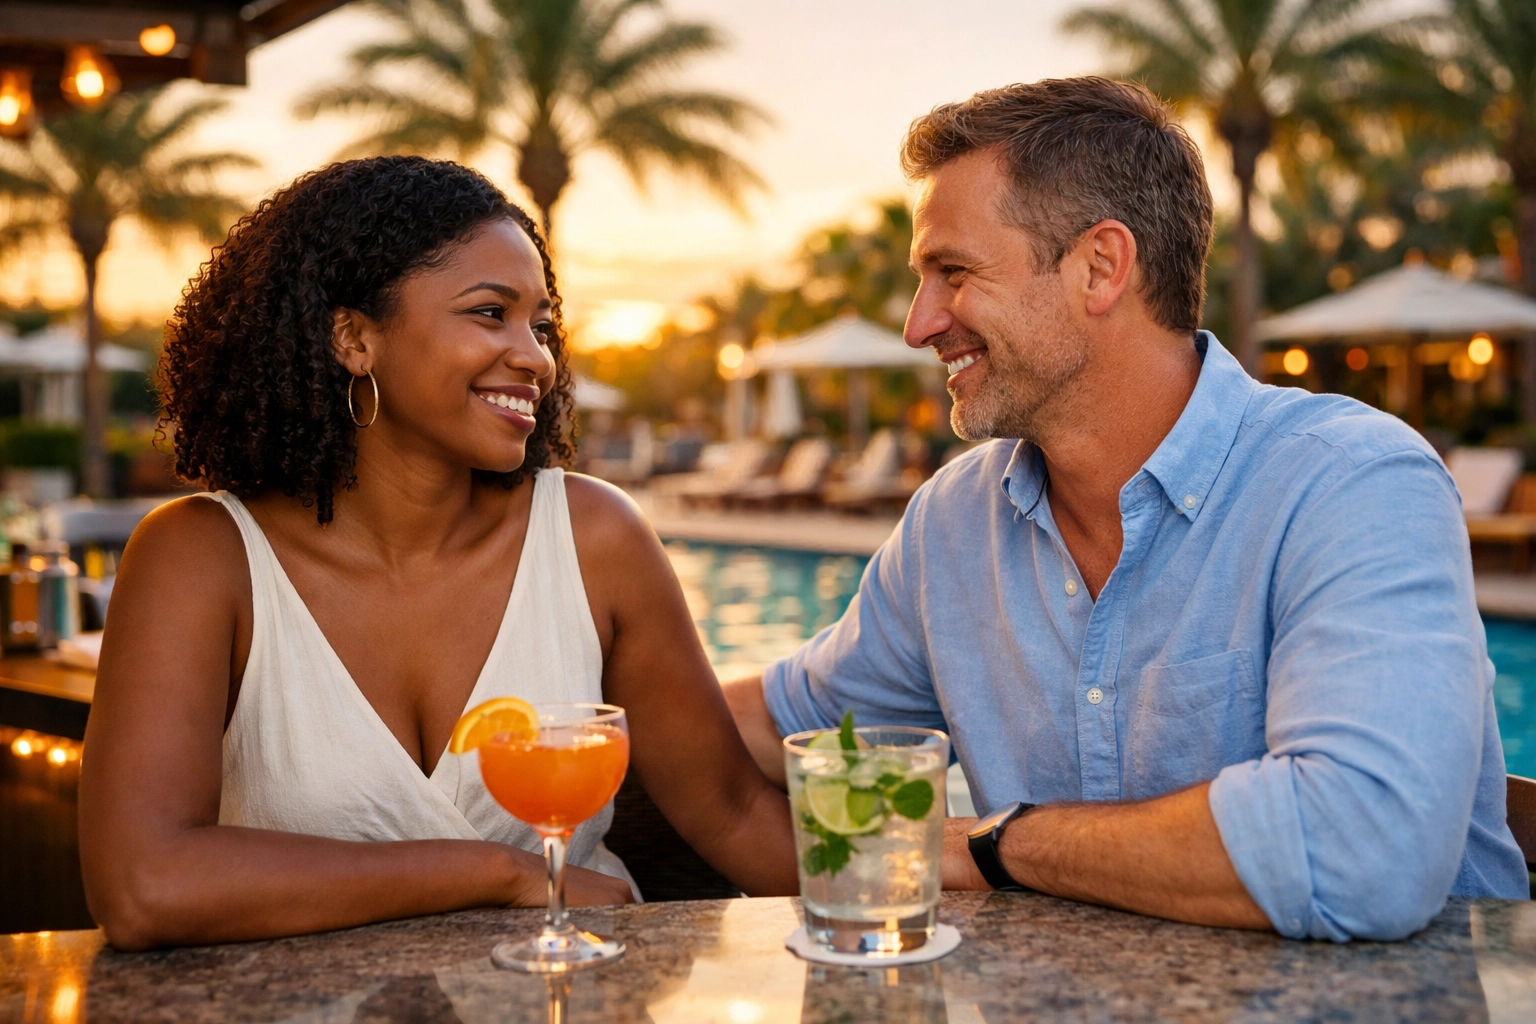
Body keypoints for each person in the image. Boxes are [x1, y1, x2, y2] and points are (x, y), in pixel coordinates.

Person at [725, 77, 1530, 942]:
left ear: (1101, 266)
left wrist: (995, 846)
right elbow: (777, 728)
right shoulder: (954, 524)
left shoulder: (1349, 484)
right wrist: (584, 683)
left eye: (952, 272)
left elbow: (1364, 848)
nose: (921, 325)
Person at [80, 157, 797, 950]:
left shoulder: (594, 538)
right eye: (491, 313)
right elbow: (143, 884)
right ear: (354, 338)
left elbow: (735, 815)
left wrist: (933, 867)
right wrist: (502, 874)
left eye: (542, 324)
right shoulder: (201, 558)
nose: (535, 357)